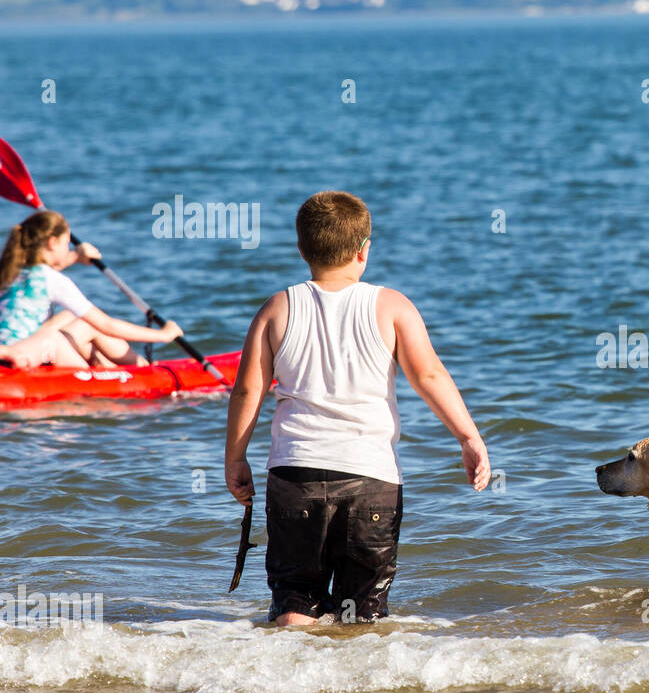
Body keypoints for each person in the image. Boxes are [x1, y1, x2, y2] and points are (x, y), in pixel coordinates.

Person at [224, 191, 490, 626]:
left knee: (295, 603)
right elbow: (430, 377)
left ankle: (286, 689)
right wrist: (468, 438)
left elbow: (246, 390)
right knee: (362, 614)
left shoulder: (277, 308)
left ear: (301, 249)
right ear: (363, 250)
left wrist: (235, 458)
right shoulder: (391, 306)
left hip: (294, 476)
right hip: (371, 480)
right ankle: (360, 692)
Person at [0, 210, 182, 368]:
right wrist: (163, 335)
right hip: (26, 355)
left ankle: (113, 368)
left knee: (69, 316)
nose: (68, 249)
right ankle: (143, 370)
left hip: (14, 348)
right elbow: (107, 326)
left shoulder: (9, 272)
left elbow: (39, 276)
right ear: (52, 242)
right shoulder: (53, 279)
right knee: (89, 325)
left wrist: (76, 256)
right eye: (66, 244)